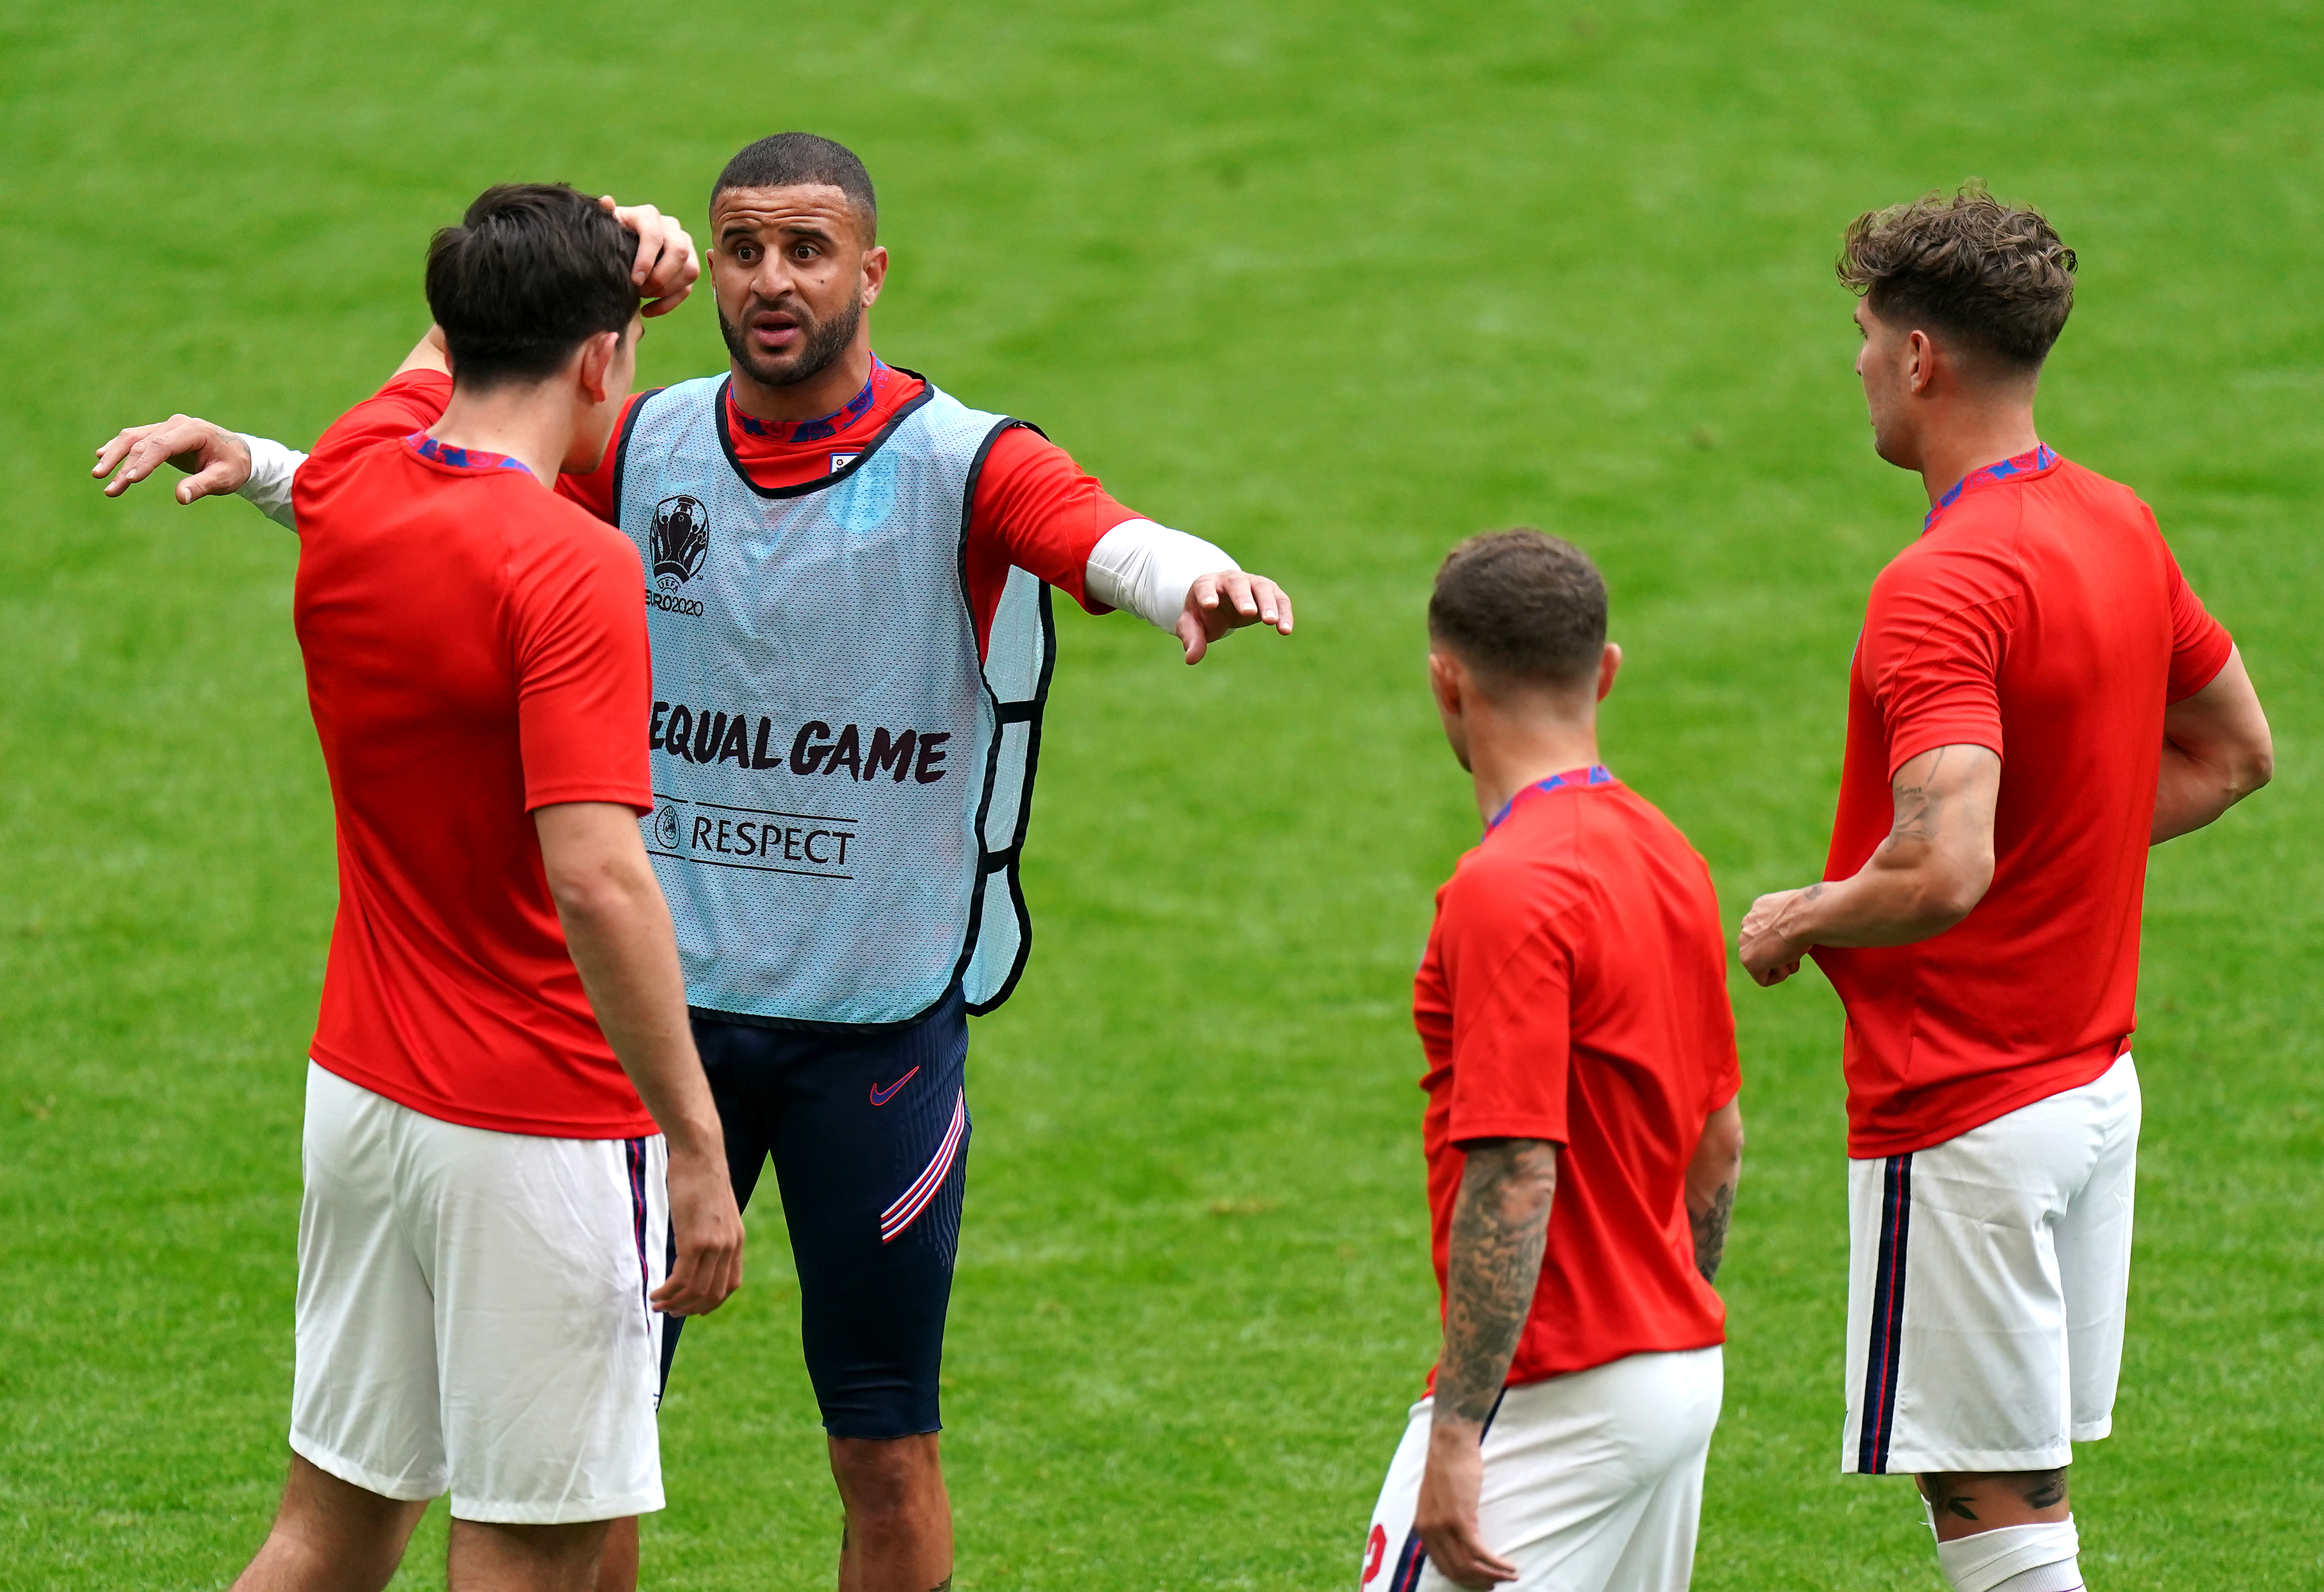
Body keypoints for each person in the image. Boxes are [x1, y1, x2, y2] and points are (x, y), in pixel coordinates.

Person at [94, 132, 1293, 1592]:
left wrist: (1189, 576)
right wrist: (276, 465)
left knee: (882, 1444)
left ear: (871, 270)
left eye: (805, 250)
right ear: (673, 291)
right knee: (582, 1478)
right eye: (740, 250)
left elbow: (1085, 528)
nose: (771, 281)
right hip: (634, 1040)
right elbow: (460, 500)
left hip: (867, 1037)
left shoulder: (958, 458)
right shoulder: (640, 451)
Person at [94, 184, 746, 1590]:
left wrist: (587, 229)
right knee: (532, 1551)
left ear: (455, 329)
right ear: (601, 360)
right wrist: (696, 1145)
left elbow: (432, 355)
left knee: (325, 1537)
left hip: (363, 1102)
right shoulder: (575, 567)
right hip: (539, 1128)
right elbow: (598, 878)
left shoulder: (353, 471)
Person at [1737, 189, 2274, 1592]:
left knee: (1995, 1516)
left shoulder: (1940, 584)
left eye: (1859, 336)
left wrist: (1800, 912)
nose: (1852, 364)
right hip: (2089, 1091)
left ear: (1917, 358)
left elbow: (1941, 863)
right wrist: (2063, 844)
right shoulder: (2117, 521)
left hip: (1961, 1103)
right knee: (2019, 1491)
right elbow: (2232, 755)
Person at [1360, 530, 1745, 1592]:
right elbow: (1719, 1141)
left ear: (1447, 677)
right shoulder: (1674, 857)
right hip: (1675, 1370)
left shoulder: (1505, 888)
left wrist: (1458, 1431)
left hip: (1554, 1392)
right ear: (1605, 669)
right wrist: (1664, 1317)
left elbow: (1517, 1172)